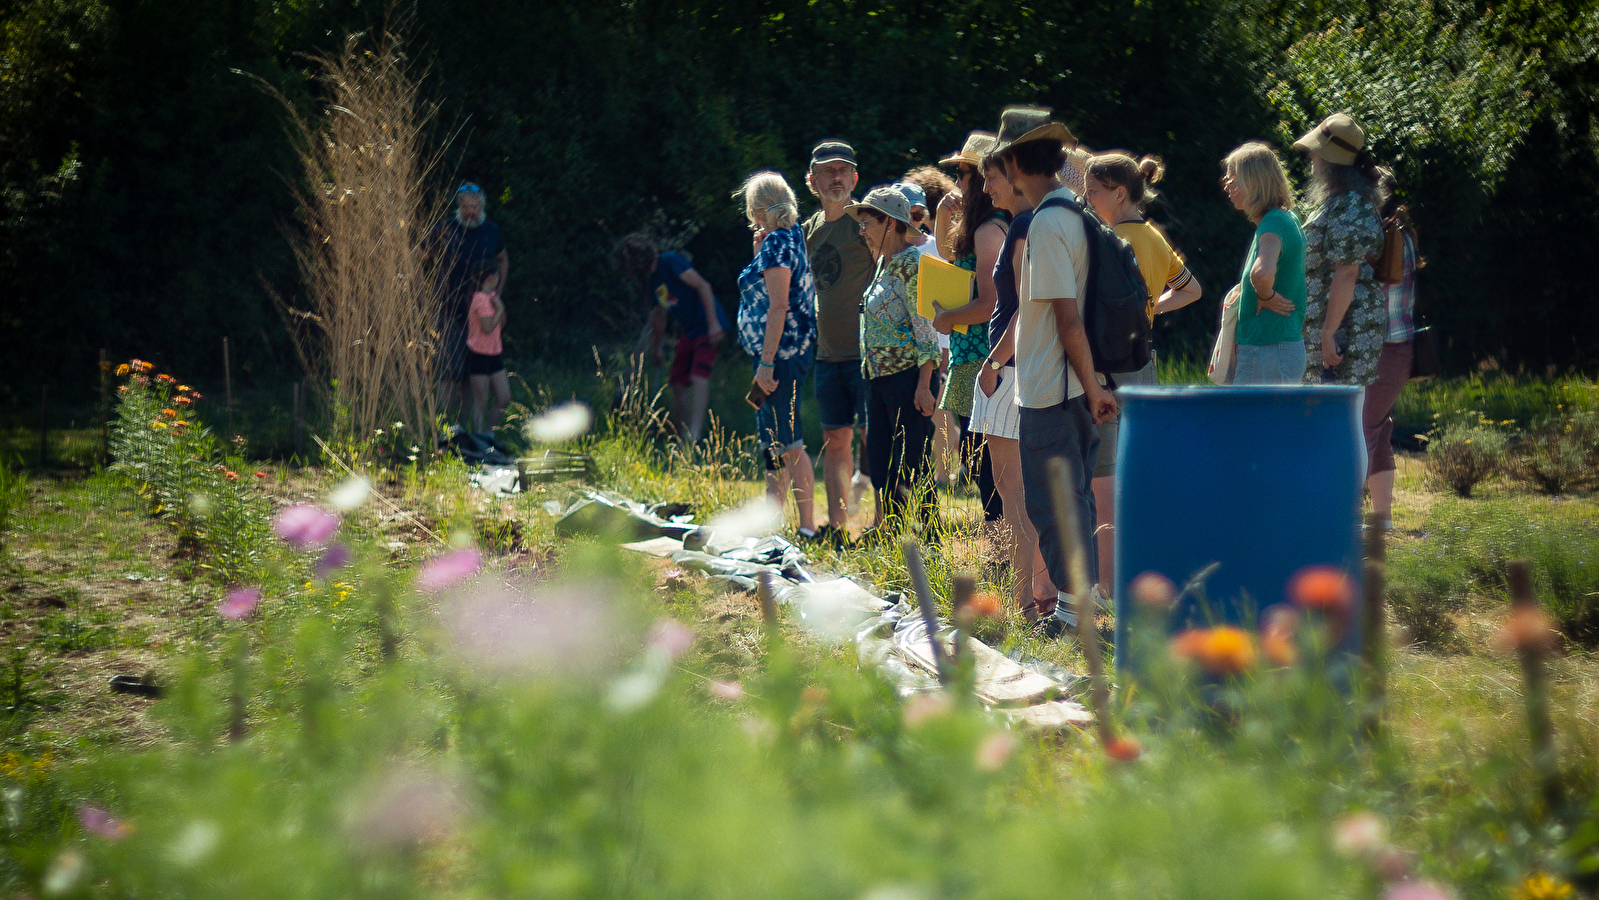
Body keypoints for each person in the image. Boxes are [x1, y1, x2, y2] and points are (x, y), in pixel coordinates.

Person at [992, 106, 1118, 631]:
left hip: (1054, 390)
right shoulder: (1077, 213)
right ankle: (1078, 608)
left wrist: (1090, 389)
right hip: (1072, 387)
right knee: (1077, 502)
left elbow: (1067, 319)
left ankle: (1070, 616)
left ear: (1018, 162)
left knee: (1051, 505)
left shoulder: (1046, 224)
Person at [1080, 152, 1204, 597]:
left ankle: (1110, 584)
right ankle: (1150, 568)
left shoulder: (1109, 238)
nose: (1087, 198)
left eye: (1093, 191)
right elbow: (1191, 289)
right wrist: (1151, 310)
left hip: (1108, 365)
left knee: (1105, 476)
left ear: (1118, 193)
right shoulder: (1153, 235)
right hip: (1143, 359)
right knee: (1141, 468)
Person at [972, 151, 1057, 617]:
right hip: (1020, 367)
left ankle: (1024, 598)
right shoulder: (1028, 223)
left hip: (1010, 370)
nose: (986, 189)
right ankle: (1033, 592)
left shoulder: (1024, 226)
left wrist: (993, 360)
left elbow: (1028, 305)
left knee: (1014, 491)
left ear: (1015, 177)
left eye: (991, 179)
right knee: (1018, 490)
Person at [846, 186, 940, 531]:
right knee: (882, 459)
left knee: (913, 458)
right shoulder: (885, 266)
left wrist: (925, 385)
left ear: (889, 222)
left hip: (906, 379)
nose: (861, 229)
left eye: (866, 221)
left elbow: (924, 328)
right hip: (877, 378)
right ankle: (894, 534)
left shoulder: (912, 266)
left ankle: (930, 534)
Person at [735, 171, 819, 535]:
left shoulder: (777, 244)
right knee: (772, 439)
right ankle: (774, 523)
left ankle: (806, 527)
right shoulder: (788, 238)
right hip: (776, 353)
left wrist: (767, 364)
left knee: (788, 440)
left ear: (756, 208)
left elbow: (779, 306)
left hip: (780, 355)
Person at [801, 140, 874, 547]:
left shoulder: (865, 221)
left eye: (844, 170)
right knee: (835, 441)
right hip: (827, 354)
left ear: (855, 177)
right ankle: (838, 527)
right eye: (828, 171)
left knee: (873, 438)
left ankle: (885, 524)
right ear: (812, 181)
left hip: (869, 353)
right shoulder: (808, 230)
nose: (836, 177)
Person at [933, 133, 1006, 531]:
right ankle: (1001, 552)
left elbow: (991, 303)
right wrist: (945, 215)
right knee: (982, 462)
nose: (957, 182)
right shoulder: (980, 227)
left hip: (984, 359)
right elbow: (950, 255)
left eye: (961, 173)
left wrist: (947, 320)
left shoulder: (989, 230)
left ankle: (1002, 554)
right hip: (974, 358)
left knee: (988, 466)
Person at [1293, 112, 1387, 393]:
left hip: (1345, 335)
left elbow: (1347, 272)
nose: (1311, 156)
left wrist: (1328, 333)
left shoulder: (1350, 206)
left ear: (1332, 161)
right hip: (1333, 333)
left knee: (1333, 422)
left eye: (1316, 152)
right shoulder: (1341, 201)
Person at [612, 232, 730, 445]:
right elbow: (660, 313)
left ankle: (693, 435)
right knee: (676, 381)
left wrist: (714, 323)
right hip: (691, 330)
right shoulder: (655, 281)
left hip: (707, 323)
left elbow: (703, 286)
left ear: (638, 258)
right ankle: (681, 434)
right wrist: (656, 348)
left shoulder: (670, 261)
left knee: (698, 376)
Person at [1362, 169, 1420, 531]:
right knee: (1377, 430)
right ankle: (1381, 521)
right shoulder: (1398, 234)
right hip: (1398, 349)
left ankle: (1341, 516)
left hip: (1386, 348)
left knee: (1362, 430)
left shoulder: (1382, 240)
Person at [1220, 142, 1306, 385]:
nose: (1226, 184)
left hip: (1268, 349)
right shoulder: (1283, 219)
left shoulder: (1272, 223)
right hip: (1273, 349)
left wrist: (1265, 295)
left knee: (1253, 423)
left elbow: (1262, 272)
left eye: (1232, 177)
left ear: (1253, 180)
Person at [430, 183, 509, 419]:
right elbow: (417, 256)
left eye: (474, 206)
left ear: (482, 206)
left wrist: (497, 295)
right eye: (465, 206)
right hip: (448, 310)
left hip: (481, 316)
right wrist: (423, 297)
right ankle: (445, 426)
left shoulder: (491, 231)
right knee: (448, 372)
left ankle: (469, 431)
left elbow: (503, 260)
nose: (470, 212)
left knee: (472, 373)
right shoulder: (445, 228)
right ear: (458, 206)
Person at [465, 269, 510, 436]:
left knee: (504, 397)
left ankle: (489, 433)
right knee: (480, 401)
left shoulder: (492, 298)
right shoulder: (480, 299)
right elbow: (488, 327)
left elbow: (501, 324)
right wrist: (498, 310)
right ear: (491, 277)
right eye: (498, 276)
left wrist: (499, 308)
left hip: (495, 353)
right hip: (479, 354)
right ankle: (477, 438)